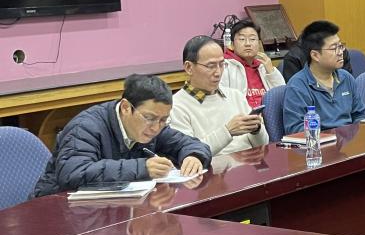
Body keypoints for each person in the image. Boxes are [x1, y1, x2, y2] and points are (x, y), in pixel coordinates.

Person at [33, 73, 210, 196]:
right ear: (126, 108)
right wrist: (142, 168)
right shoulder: (85, 127)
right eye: (149, 118)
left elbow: (189, 144)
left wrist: (194, 156)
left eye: (163, 120)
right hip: (57, 212)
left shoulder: (154, 126)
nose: (156, 127)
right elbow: (73, 173)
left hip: (112, 208)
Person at [171, 36, 268, 156]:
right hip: (213, 166)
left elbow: (264, 144)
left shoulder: (235, 95)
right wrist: (227, 131)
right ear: (189, 67)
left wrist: (256, 130)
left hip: (251, 162)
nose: (218, 72)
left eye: (222, 64)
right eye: (211, 66)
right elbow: (189, 154)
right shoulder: (176, 106)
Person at [282, 20, 365, 134]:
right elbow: (295, 130)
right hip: (319, 142)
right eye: (334, 48)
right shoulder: (297, 86)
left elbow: (359, 115)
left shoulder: (346, 78)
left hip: (348, 142)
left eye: (340, 46)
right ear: (315, 55)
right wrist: (332, 137)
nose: (340, 52)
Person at [221, 19, 284, 109]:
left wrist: (271, 72)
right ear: (232, 45)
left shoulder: (264, 66)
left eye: (252, 39)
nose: (248, 44)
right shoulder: (224, 66)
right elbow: (223, 101)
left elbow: (282, 96)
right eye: (242, 39)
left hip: (268, 114)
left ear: (259, 44)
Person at [281, 27, 354, 82]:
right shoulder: (293, 58)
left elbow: (348, 83)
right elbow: (296, 91)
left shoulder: (342, 52)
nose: (339, 52)